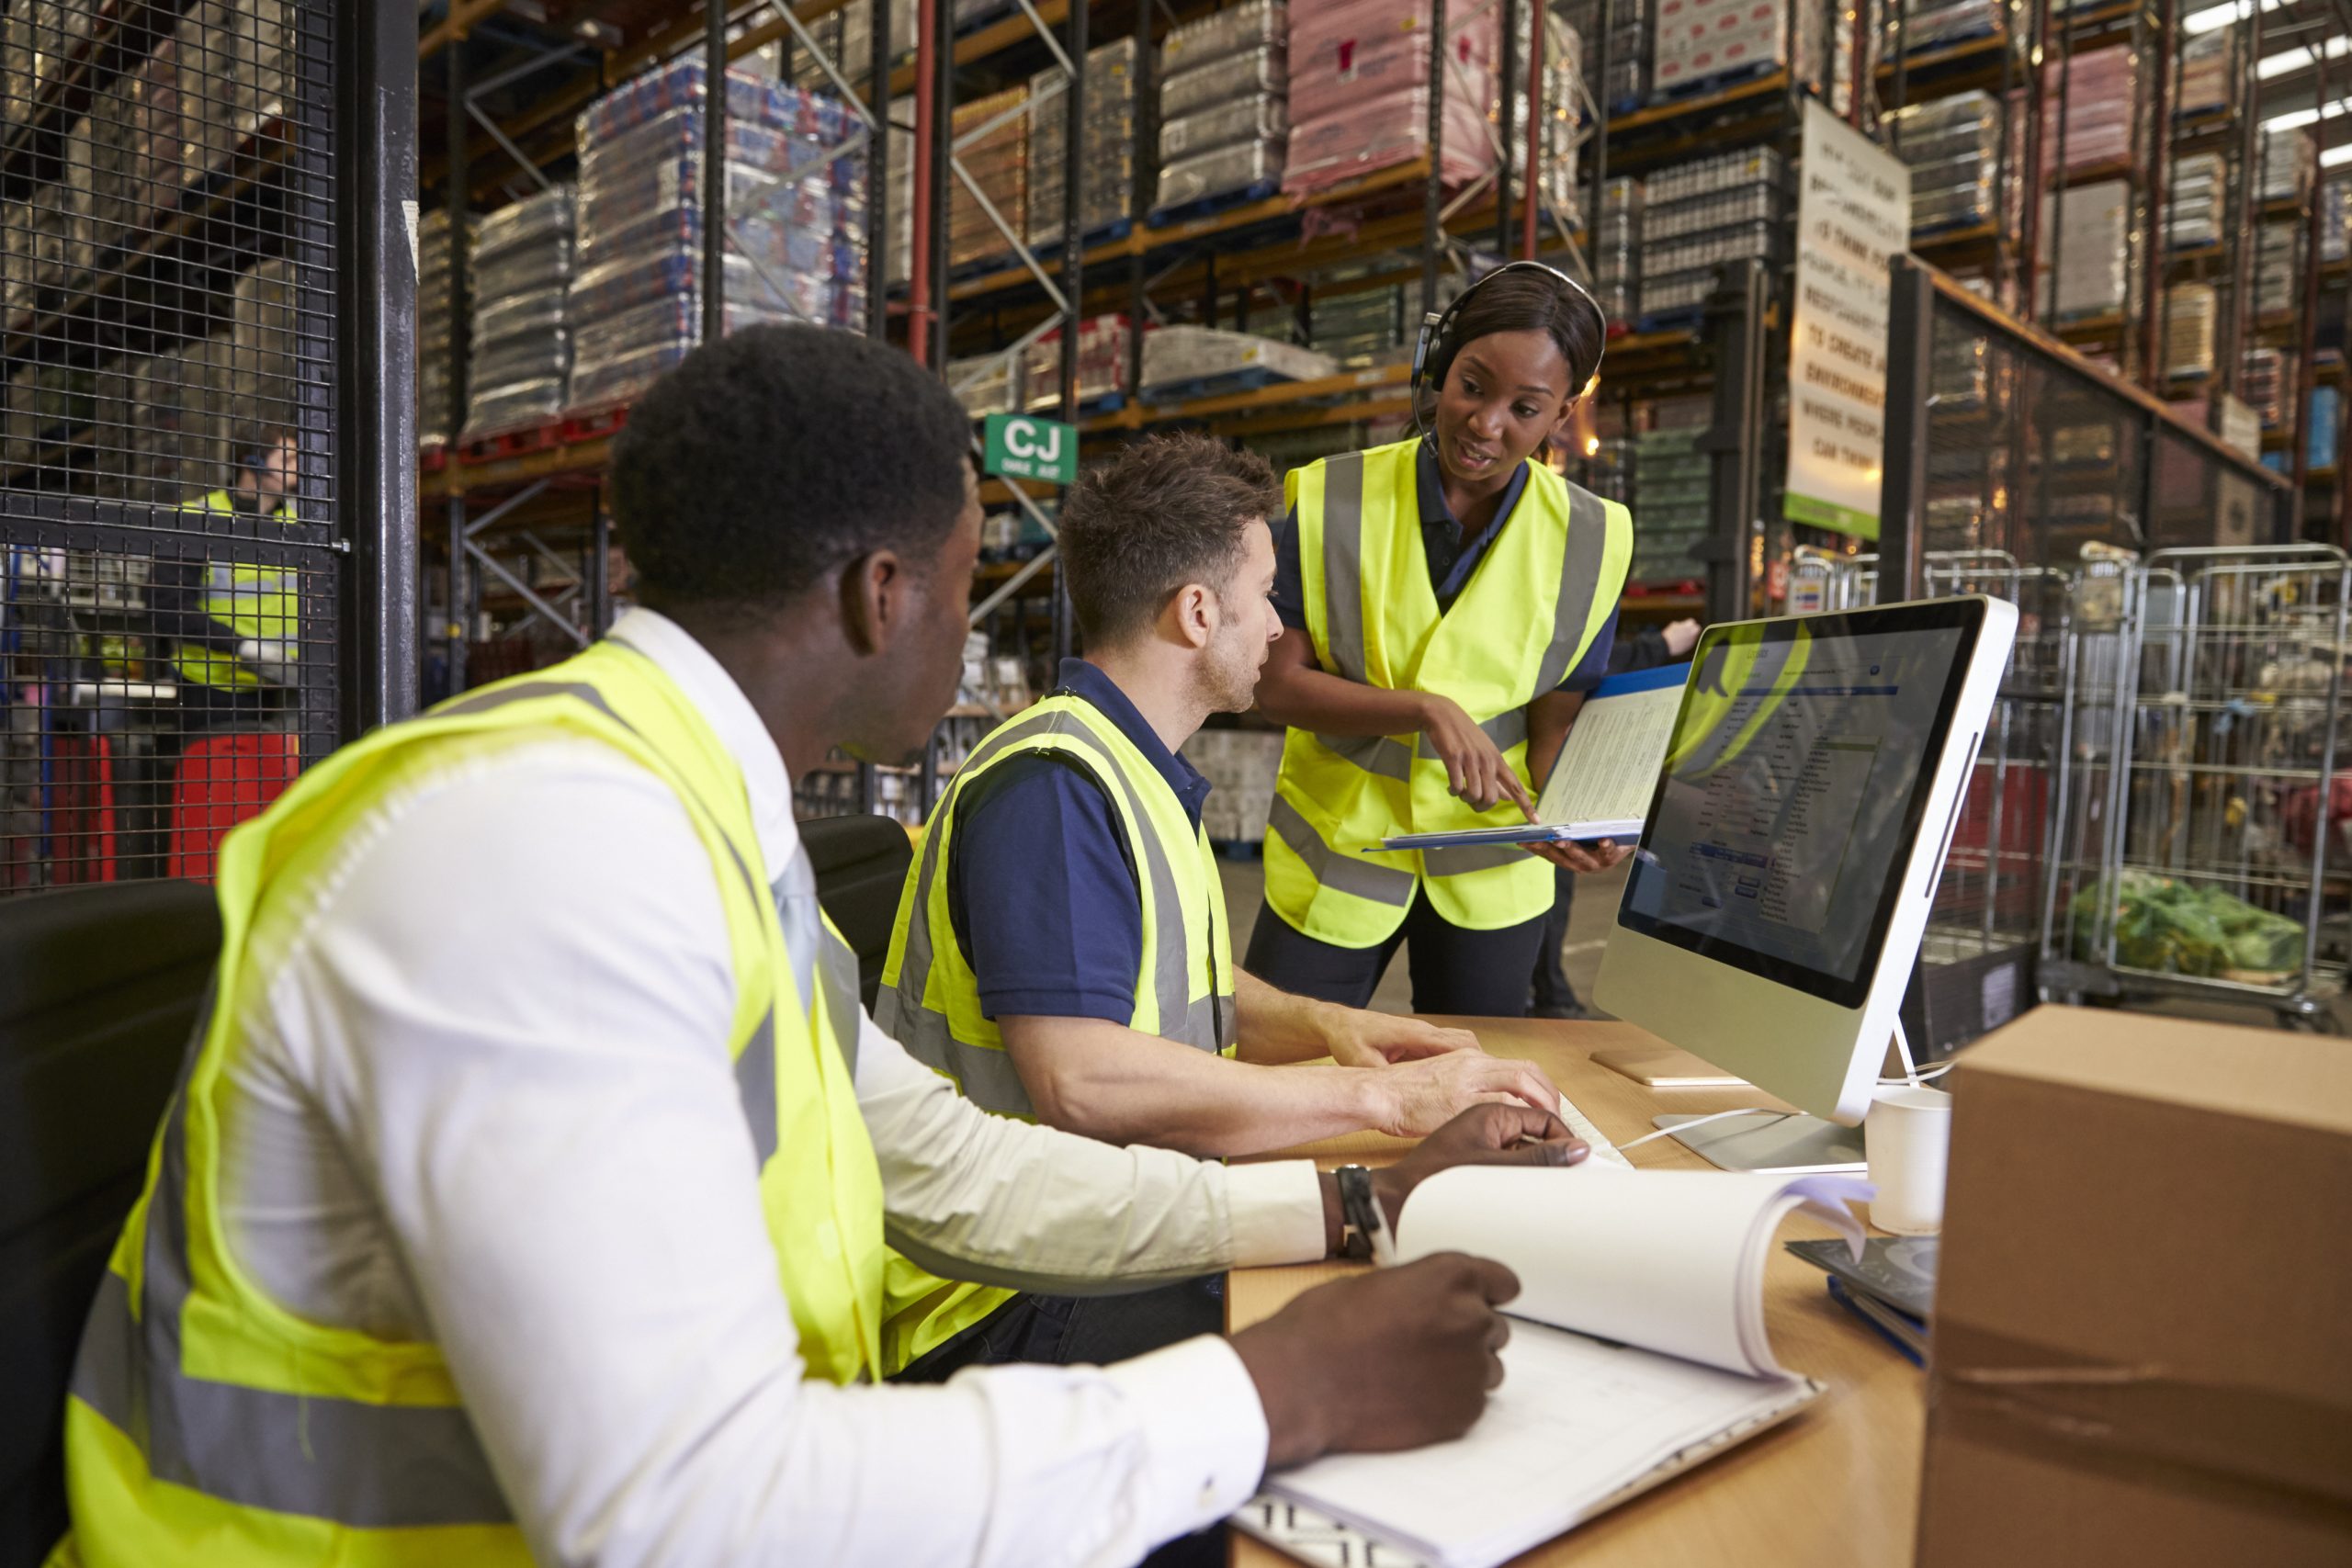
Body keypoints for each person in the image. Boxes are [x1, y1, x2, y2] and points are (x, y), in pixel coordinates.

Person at [50, 324, 1591, 1568]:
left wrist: (1345, 1202)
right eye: (969, 571)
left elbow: (949, 1168)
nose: (982, 615)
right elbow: (678, 1510)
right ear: (881, 593)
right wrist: (1276, 1392)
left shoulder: (692, 808)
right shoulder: (542, 845)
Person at [876, 432, 1565, 1377]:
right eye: (1264, 594)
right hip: (1005, 1299)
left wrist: (1332, 1027)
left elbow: (1180, 985)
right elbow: (1084, 1081)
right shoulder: (1053, 789)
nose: (1279, 626)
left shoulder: (1126, 767)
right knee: (1433, 1308)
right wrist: (1378, 1098)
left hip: (1103, 1232)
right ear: (1198, 613)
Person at [1248, 262, 1636, 1016]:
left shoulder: (1595, 538)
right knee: (1274, 1066)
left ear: (1561, 417)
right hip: (1337, 854)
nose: (1487, 424)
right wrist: (1422, 708)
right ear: (1438, 368)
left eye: (1525, 407)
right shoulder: (1329, 495)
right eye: (1472, 386)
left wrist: (1577, 817)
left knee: (1478, 1094)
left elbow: (1553, 724)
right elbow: (1275, 686)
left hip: (1491, 868)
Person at [1527, 615, 1702, 1019]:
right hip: (1534, 789)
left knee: (1554, 888)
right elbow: (1588, 661)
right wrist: (1658, 645)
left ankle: (1552, 991)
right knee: (1553, 887)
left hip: (1545, 785)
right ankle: (1552, 994)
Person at [149, 429, 302, 735]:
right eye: (289, 458)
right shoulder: (196, 518)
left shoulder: (302, 525)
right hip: (214, 691)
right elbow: (164, 605)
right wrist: (242, 646)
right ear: (255, 464)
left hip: (290, 689)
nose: (300, 466)